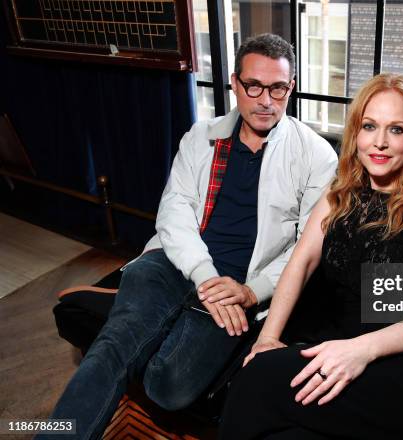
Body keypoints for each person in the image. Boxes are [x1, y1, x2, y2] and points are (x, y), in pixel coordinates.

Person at [40, 33, 337, 439]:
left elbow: (308, 247)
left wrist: (253, 292)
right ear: (235, 82)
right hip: (175, 264)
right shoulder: (202, 137)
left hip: (236, 289)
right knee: (113, 348)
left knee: (170, 388)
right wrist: (202, 275)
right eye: (253, 85)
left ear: (291, 87)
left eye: (278, 88)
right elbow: (173, 213)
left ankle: (132, 310)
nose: (265, 100)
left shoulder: (316, 155)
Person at [218, 73, 403, 440]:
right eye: (370, 126)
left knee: (257, 380)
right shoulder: (338, 196)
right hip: (346, 344)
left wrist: (361, 351)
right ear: (356, 131)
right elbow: (301, 263)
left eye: (397, 129)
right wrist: (267, 338)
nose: (381, 143)